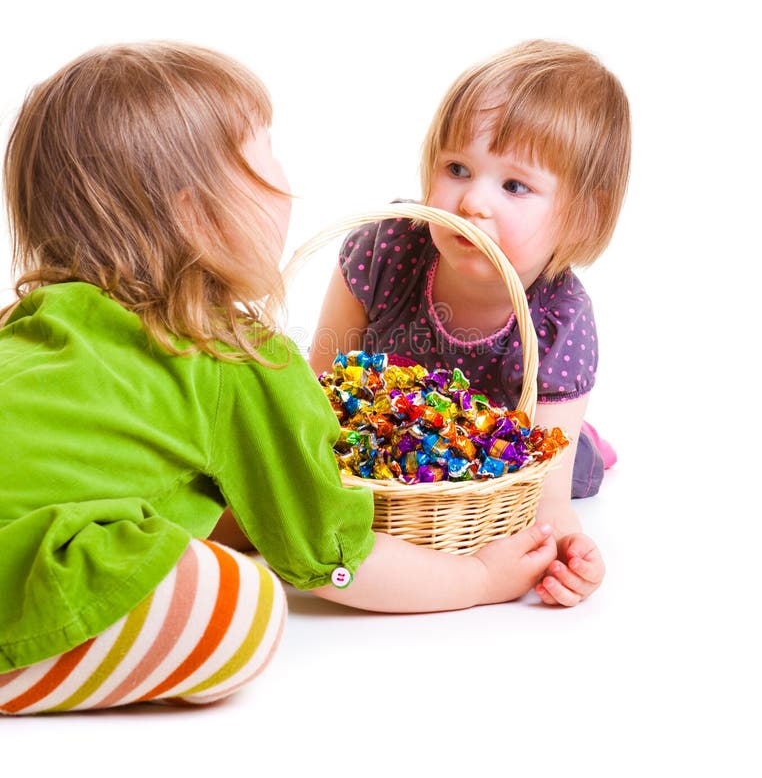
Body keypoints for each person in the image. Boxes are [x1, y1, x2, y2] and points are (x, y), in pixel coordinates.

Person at [0, 42, 559, 716]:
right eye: (267, 162)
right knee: (250, 608)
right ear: (199, 215)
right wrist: (473, 577)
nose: (287, 185)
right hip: (28, 576)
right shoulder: (235, 354)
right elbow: (330, 554)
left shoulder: (28, 319)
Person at [310, 40, 631, 607]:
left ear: (582, 214)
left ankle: (587, 441)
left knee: (572, 464)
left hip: (499, 454)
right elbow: (316, 387)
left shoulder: (558, 319)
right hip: (390, 448)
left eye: (514, 186)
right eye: (457, 168)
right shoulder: (386, 250)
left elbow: (545, 497)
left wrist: (565, 552)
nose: (473, 201)